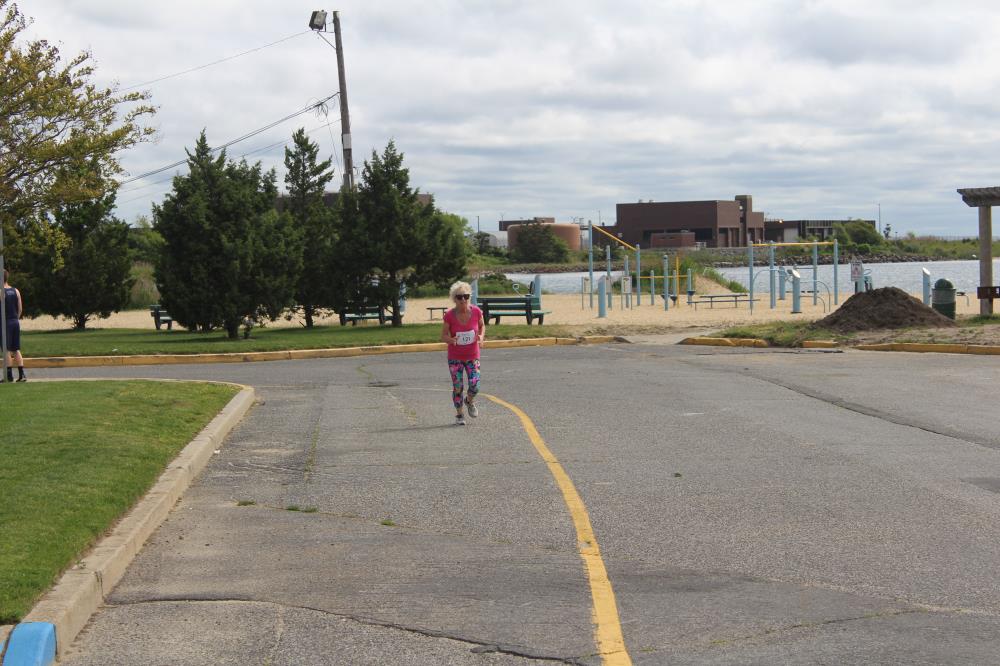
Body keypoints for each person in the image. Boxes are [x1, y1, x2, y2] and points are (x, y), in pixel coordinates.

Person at [440, 281, 485, 425]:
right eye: (459, 297)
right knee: (458, 386)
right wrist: (451, 340)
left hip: (472, 356)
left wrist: (481, 336)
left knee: (475, 385)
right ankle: (459, 415)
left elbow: (482, 325)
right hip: (455, 357)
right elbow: (443, 336)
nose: (463, 299)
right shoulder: (449, 315)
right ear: (454, 299)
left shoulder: (476, 312)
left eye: (466, 296)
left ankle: (469, 401)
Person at [2, 269, 25, 382]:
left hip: (5, 323)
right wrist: (15, 318)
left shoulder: (1, 292)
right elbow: (20, 309)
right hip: (15, 321)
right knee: (16, 349)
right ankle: (22, 375)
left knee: (6, 349)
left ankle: (9, 376)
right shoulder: (16, 291)